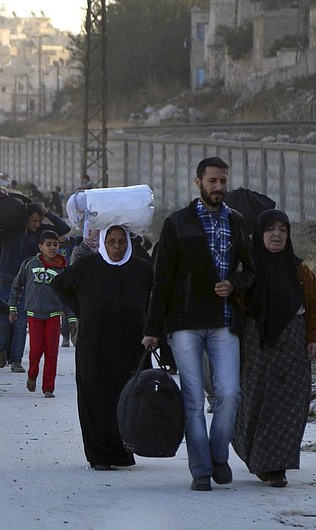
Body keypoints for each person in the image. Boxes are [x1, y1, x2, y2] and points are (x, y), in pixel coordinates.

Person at [142, 156, 254, 492]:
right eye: (212, 181)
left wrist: (235, 285)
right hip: (185, 322)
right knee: (192, 399)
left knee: (230, 393)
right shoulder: (178, 223)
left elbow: (250, 271)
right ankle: (201, 470)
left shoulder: (236, 221)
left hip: (223, 321)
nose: (219, 187)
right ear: (198, 182)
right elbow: (162, 279)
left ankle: (218, 455)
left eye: (223, 181)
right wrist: (152, 329)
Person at [52, 225, 153, 471]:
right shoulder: (88, 266)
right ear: (103, 244)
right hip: (94, 344)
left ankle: (122, 451)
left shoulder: (141, 268)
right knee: (95, 397)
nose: (117, 247)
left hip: (130, 345)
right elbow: (59, 285)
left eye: (121, 242)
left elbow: (156, 298)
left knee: (124, 397)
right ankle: (98, 455)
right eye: (112, 242)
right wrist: (82, 309)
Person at [232, 209, 316, 488]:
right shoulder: (248, 271)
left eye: (283, 229)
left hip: (292, 343)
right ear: (259, 233)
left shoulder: (300, 270)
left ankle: (276, 466)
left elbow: (313, 308)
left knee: (291, 403)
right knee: (256, 399)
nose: (277, 234)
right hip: (257, 343)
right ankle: (259, 459)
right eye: (270, 229)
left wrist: (312, 338)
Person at [0, 202, 70, 372]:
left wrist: (47, 212)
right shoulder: (12, 229)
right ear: (25, 218)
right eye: (34, 220)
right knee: (3, 319)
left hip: (27, 282)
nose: (37, 224)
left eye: (39, 220)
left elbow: (64, 228)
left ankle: (16, 360)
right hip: (7, 279)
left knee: (21, 321)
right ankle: (0, 350)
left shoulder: (41, 233)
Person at [8, 230, 75, 398]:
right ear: (40, 246)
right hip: (34, 314)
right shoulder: (29, 265)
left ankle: (48, 388)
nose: (52, 248)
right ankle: (32, 375)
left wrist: (71, 317)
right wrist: (12, 308)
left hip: (53, 314)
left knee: (52, 352)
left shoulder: (63, 268)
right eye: (48, 244)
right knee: (36, 350)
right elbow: (16, 286)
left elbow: (69, 295)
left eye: (55, 245)